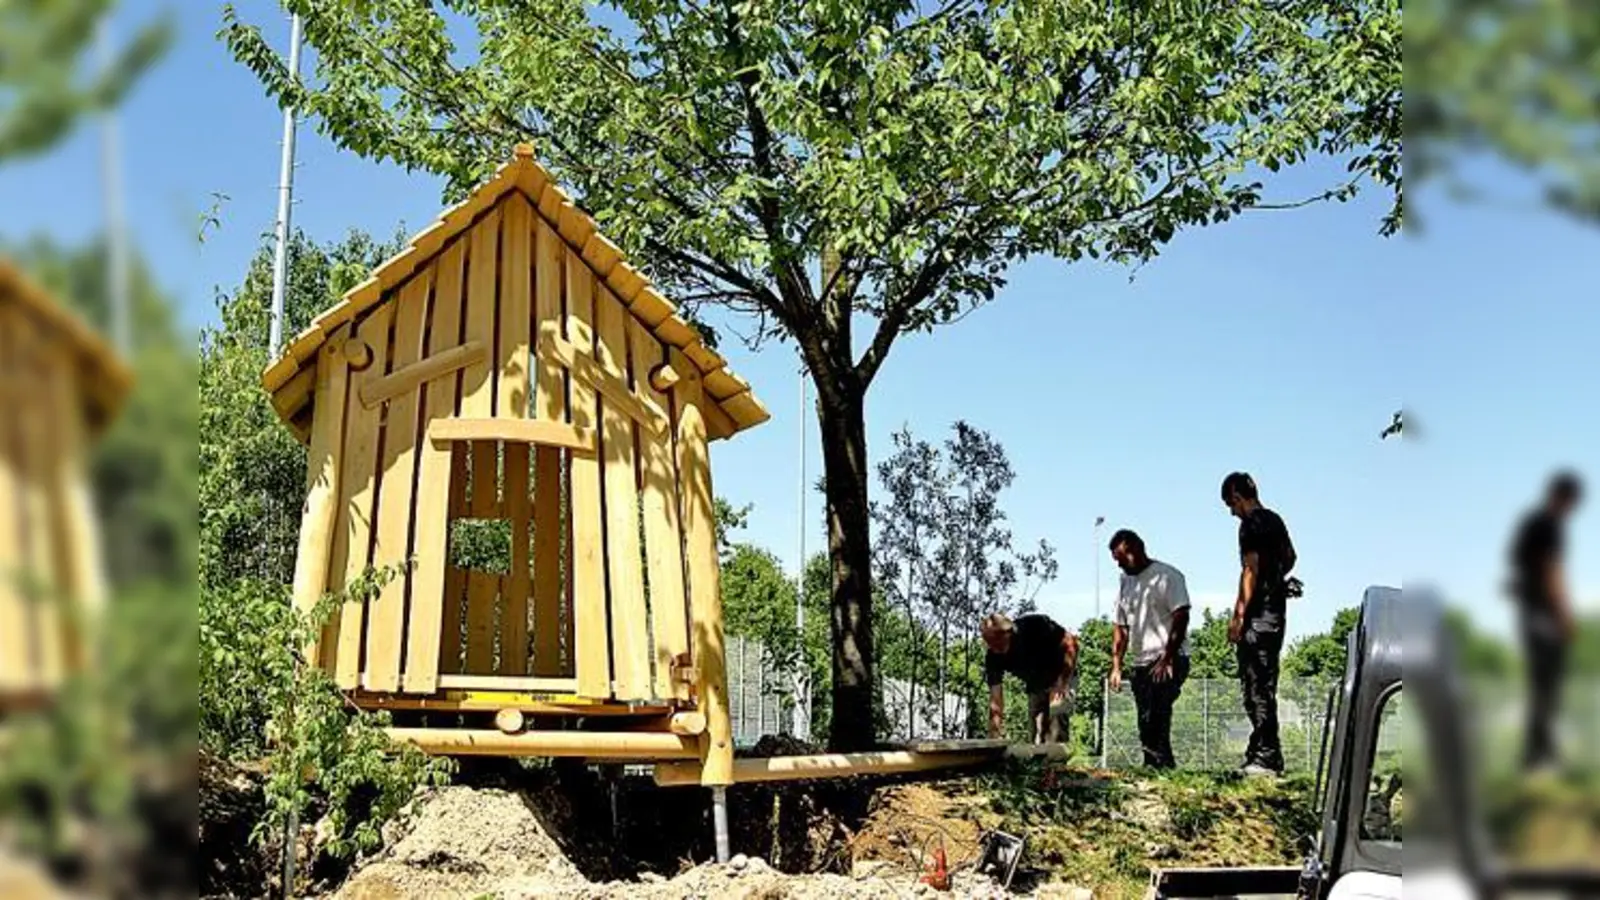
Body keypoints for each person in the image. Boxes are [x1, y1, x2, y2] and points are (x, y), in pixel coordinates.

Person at [1221, 471, 1298, 776]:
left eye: (1231, 504)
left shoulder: (1250, 524)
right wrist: (1277, 579)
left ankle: (1267, 757)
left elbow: (1249, 571)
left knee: (1256, 687)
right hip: (1276, 614)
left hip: (1259, 617)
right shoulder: (1275, 520)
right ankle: (1260, 750)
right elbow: (1291, 557)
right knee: (1265, 683)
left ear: (1238, 497)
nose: (1231, 511)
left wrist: (1238, 616)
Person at [1507, 470, 1583, 773]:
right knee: (1547, 685)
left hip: (1529, 613)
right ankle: (1539, 756)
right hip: (1542, 615)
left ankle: (1538, 752)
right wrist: (1564, 616)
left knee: (1541, 684)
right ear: (1564, 498)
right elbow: (1552, 572)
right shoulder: (1549, 526)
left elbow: (1517, 572)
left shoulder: (1530, 524)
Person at [1107, 529, 1192, 769]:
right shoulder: (1125, 582)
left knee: (1157, 712)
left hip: (1170, 657)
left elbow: (1181, 616)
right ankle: (1152, 765)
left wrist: (1168, 657)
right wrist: (1116, 665)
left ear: (1135, 551)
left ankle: (1163, 767)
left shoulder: (1168, 576)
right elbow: (1120, 626)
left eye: (1121, 559)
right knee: (1145, 717)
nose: (1119, 565)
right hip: (1141, 662)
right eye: (1116, 561)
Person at [982, 611, 1080, 745]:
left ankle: (1057, 763)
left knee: (1056, 718)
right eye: (987, 642)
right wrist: (994, 732)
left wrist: (1061, 683)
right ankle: (1037, 762)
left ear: (1007, 634)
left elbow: (1072, 643)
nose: (991, 646)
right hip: (1036, 684)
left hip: (1062, 673)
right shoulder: (993, 657)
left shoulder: (1033, 626)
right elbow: (996, 699)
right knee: (1036, 735)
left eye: (994, 641)